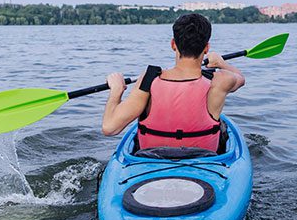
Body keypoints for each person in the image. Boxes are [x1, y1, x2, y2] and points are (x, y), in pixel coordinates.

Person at [101, 13, 245, 153]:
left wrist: (116, 90)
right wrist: (221, 63)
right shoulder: (219, 81)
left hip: (151, 160)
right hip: (204, 161)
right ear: (206, 48)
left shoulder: (149, 79)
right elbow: (240, 78)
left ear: (173, 44)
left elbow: (109, 127)